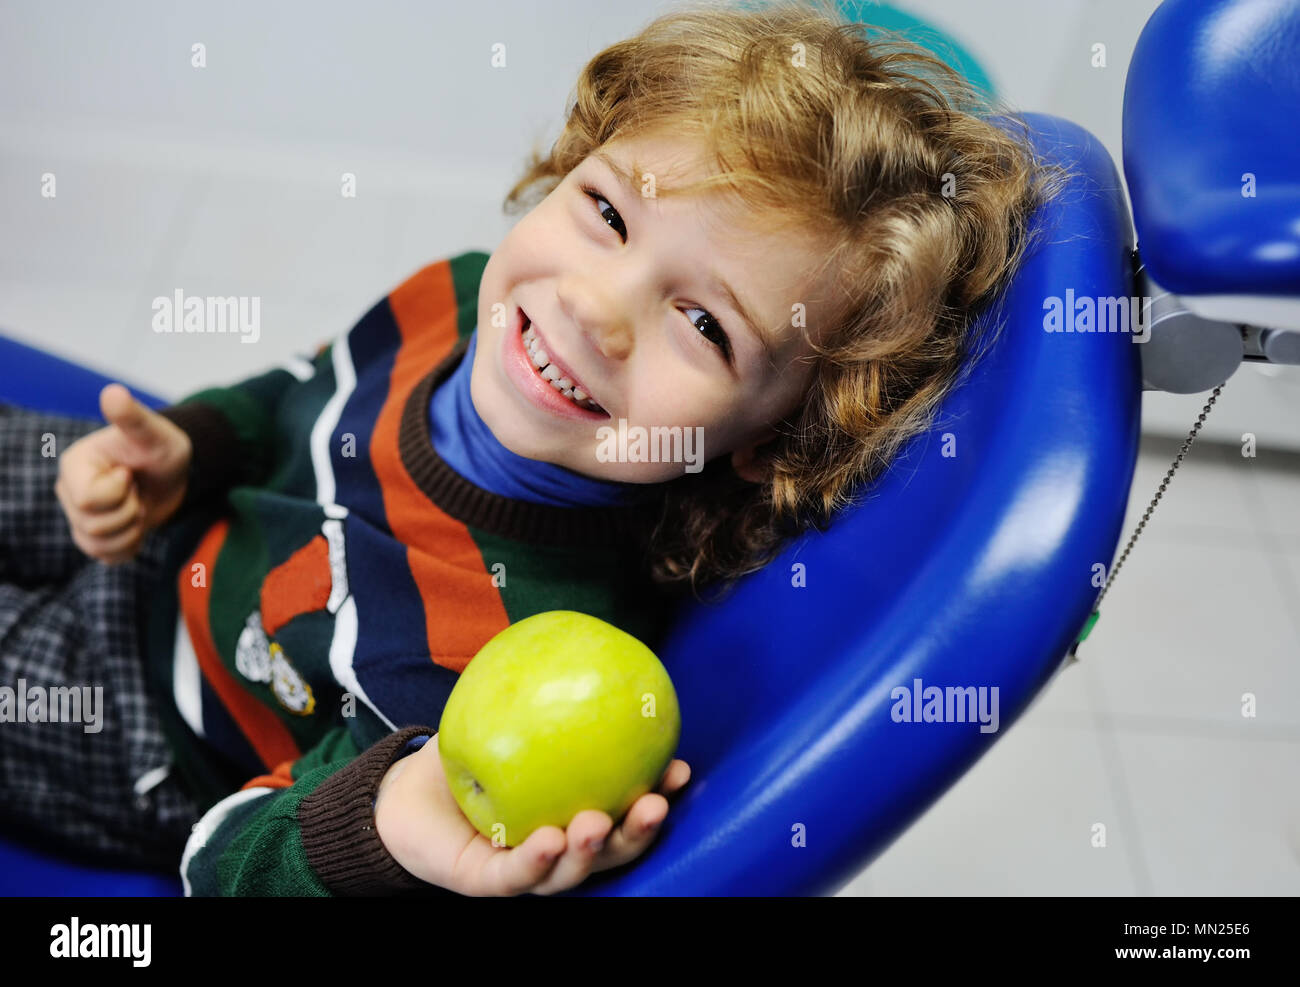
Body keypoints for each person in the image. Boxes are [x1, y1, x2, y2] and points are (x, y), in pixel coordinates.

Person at [0, 0, 1062, 896]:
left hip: (141, 723)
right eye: (606, 211)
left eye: (703, 326)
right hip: (163, 519)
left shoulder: (486, 659)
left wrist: (379, 830)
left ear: (766, 441)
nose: (594, 306)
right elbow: (299, 396)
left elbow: (222, 858)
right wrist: (188, 448)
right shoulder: (463, 292)